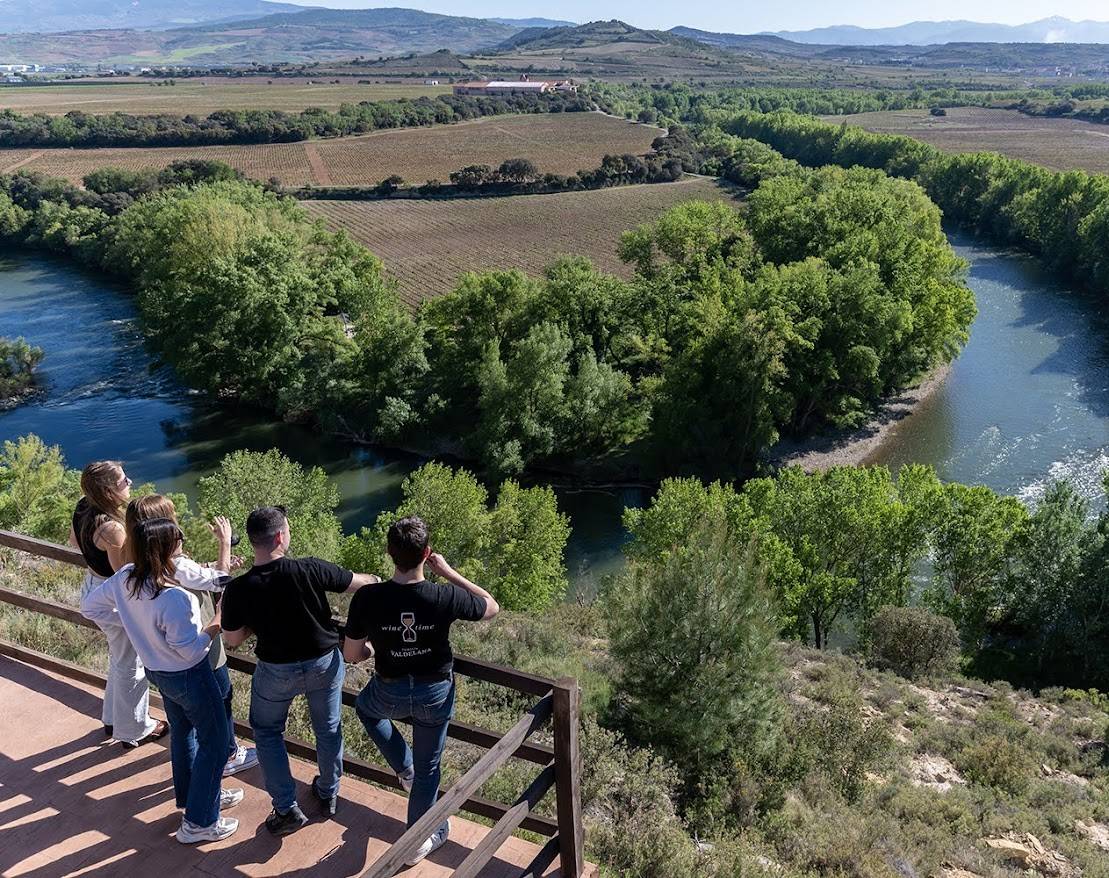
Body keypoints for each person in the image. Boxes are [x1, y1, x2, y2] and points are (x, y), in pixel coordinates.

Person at [343, 516, 500, 866]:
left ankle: (404, 768)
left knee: (366, 709)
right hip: (434, 694)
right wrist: (446, 571)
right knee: (430, 769)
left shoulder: (368, 598)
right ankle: (417, 841)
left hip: (389, 691)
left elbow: (352, 654)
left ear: (389, 553)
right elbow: (491, 606)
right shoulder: (444, 596)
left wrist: (375, 650)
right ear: (426, 553)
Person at [220, 506, 380, 836]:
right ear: (280, 536)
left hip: (276, 671)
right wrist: (379, 581)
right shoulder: (310, 569)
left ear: (253, 541)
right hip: (323, 663)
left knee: (266, 732)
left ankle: (285, 808)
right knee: (328, 728)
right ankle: (328, 792)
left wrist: (257, 620)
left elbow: (232, 640)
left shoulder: (239, 589)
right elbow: (361, 584)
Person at [81, 516, 241, 844]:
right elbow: (192, 652)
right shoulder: (174, 599)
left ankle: (198, 797)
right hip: (190, 676)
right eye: (178, 539)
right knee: (215, 741)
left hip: (159, 674)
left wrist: (130, 623)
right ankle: (199, 823)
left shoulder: (125, 577)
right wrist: (216, 622)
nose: (182, 541)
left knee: (184, 733)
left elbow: (89, 607)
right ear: (168, 550)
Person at [125, 495, 259, 778]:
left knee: (182, 726)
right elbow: (220, 579)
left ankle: (189, 786)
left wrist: (207, 567)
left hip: (162, 658)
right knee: (221, 697)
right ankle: (228, 755)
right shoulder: (176, 563)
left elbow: (194, 574)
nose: (176, 524)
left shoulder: (141, 564)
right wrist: (225, 542)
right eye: (171, 518)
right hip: (199, 639)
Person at [70, 460, 166, 749]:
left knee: (119, 657)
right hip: (113, 598)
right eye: (125, 481)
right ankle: (134, 730)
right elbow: (124, 574)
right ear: (109, 489)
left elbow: (74, 541)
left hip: (93, 585)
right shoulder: (112, 528)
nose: (130, 483)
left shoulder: (83, 507)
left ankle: (113, 719)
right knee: (132, 663)